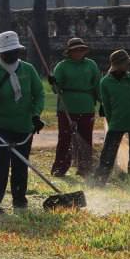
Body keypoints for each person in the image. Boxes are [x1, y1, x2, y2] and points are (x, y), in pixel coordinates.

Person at [0, 30, 45, 213]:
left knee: (21, 166)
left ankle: (19, 201)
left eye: (14, 52)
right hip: (1, 127)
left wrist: (36, 115)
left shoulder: (28, 70)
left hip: (24, 126)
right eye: (8, 52)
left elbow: (39, 94)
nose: (11, 55)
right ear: (0, 53)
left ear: (19, 51)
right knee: (0, 166)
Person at [49, 36, 101, 176]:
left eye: (81, 50)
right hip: (67, 107)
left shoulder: (91, 65)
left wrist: (102, 103)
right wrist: (53, 82)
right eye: (75, 50)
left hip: (86, 106)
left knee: (86, 138)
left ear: (84, 50)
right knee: (64, 138)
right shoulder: (62, 66)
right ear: (69, 52)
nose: (78, 52)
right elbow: (56, 90)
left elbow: (97, 85)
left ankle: (85, 168)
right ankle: (60, 168)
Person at [95, 49, 130, 182]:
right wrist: (110, 121)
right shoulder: (105, 82)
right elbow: (106, 105)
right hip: (116, 123)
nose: (128, 66)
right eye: (126, 63)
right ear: (117, 65)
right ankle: (100, 180)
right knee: (108, 154)